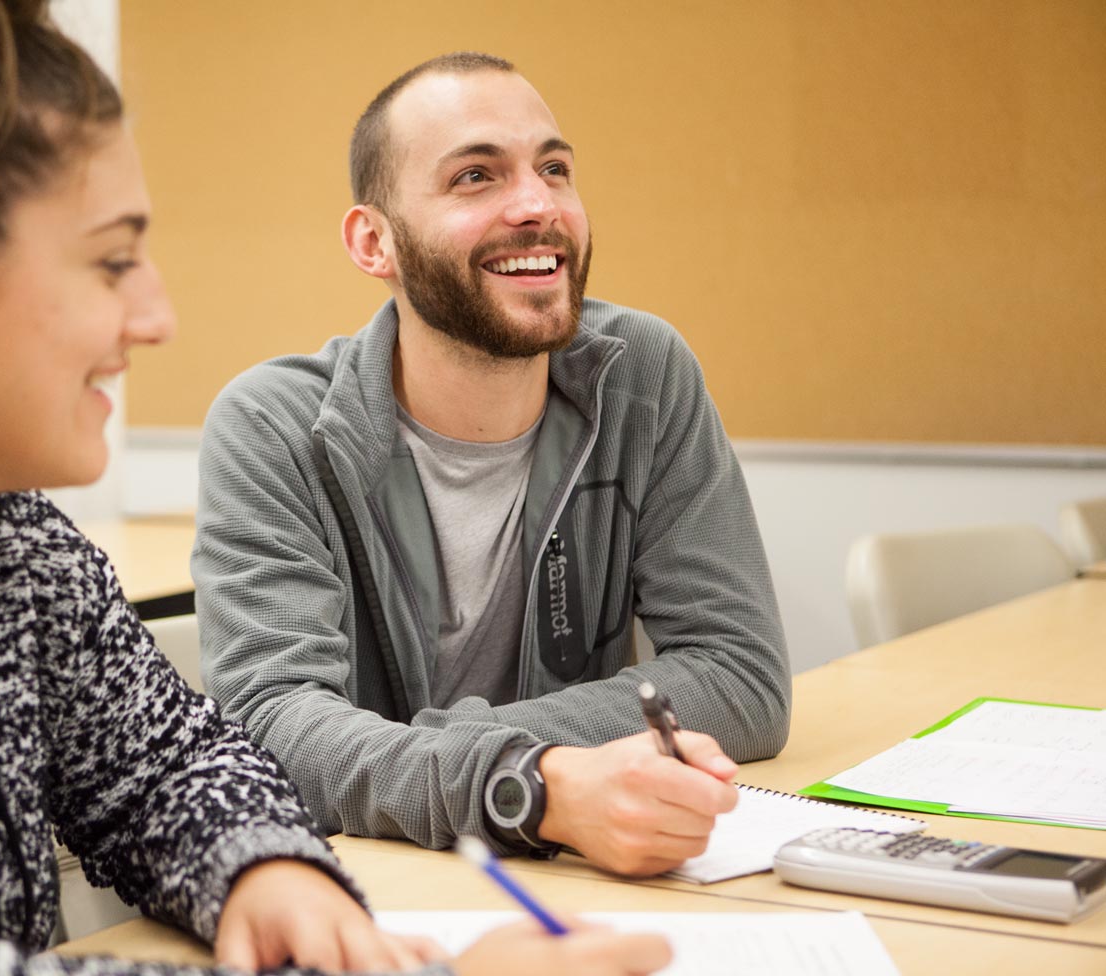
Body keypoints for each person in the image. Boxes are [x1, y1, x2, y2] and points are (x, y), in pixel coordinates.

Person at [0, 9, 670, 976]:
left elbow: (168, 762)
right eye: (114, 263)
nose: (155, 316)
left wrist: (262, 866)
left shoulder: (6, 539)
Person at [193, 52, 792, 877]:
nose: (538, 205)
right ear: (375, 242)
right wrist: (526, 782)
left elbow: (742, 676)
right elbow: (270, 722)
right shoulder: (274, 426)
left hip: (578, 873)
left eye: (555, 168)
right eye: (476, 176)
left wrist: (486, 760)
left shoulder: (641, 376)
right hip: (373, 889)